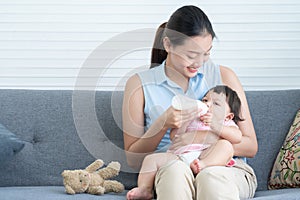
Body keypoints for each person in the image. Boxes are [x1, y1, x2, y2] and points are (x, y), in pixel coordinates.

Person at [122, 5, 258, 200]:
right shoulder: (139, 85)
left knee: (210, 178)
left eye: (207, 54)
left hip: (226, 167)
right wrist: (163, 123)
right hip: (173, 163)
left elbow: (250, 146)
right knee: (174, 174)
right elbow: (133, 160)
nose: (199, 63)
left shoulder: (224, 76)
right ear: (168, 45)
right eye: (191, 55)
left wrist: (198, 140)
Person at [126, 85, 243, 200]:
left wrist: (216, 125)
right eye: (205, 100)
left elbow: (237, 137)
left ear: (228, 116)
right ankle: (145, 189)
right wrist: (186, 119)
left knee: (226, 146)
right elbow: (174, 137)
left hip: (206, 156)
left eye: (216, 104)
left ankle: (203, 165)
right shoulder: (194, 119)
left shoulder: (225, 123)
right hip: (180, 158)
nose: (207, 104)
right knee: (150, 159)